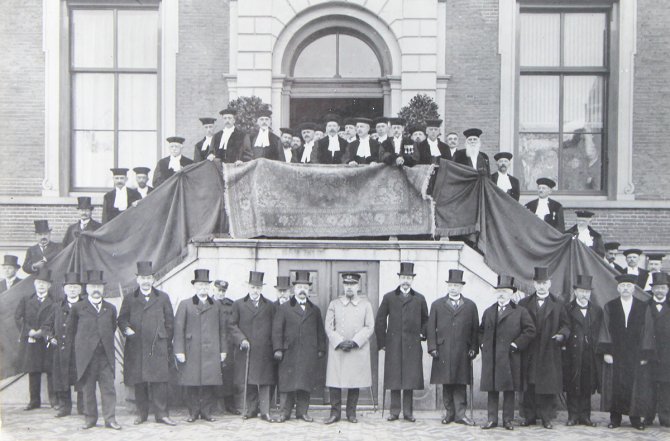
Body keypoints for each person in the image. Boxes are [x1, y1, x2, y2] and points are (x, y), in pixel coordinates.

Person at [117, 261, 176, 426]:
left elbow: (170, 322)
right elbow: (122, 319)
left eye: (148, 278)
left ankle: (162, 415)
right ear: (138, 279)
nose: (145, 281)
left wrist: (165, 339)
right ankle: (142, 414)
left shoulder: (163, 298)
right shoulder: (130, 298)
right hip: (137, 346)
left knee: (159, 382)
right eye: (142, 278)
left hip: (157, 346)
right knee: (140, 381)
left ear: (153, 279)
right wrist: (127, 329)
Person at [598, 273, 655, 430]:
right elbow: (605, 328)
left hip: (635, 354)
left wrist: (645, 353)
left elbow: (647, 330)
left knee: (635, 385)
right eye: (622, 286)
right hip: (616, 353)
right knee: (615, 385)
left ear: (634, 288)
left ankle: (635, 419)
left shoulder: (643, 306)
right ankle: (615, 419)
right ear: (618, 288)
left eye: (628, 286)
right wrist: (607, 351)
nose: (625, 288)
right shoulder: (610, 306)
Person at [479, 275, 535, 430]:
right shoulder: (489, 311)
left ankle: (508, 420)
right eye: (499, 291)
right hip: (492, 357)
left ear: (511, 293)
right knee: (492, 389)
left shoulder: (520, 311)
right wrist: (482, 343)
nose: (502, 294)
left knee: (509, 390)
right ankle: (492, 419)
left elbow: (530, 331)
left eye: (505, 291)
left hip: (510, 356)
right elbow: (481, 330)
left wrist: (517, 344)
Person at [518, 267, 570, 429]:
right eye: (538, 283)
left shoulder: (558, 304)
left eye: (544, 283)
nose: (541, 286)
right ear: (534, 284)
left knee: (547, 385)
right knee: (530, 384)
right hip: (530, 350)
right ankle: (529, 416)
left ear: (549, 284)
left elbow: (566, 325)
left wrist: (561, 335)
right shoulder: (523, 303)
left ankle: (547, 418)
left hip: (549, 349)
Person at [376, 262, 428, 422]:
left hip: (412, 344)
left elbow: (426, 320)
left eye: (409, 278)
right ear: (399, 278)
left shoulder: (419, 298)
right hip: (394, 344)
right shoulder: (389, 297)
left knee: (409, 378)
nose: (406, 280)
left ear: (412, 280)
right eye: (403, 277)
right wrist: (382, 342)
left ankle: (408, 412)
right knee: (395, 377)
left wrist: (422, 334)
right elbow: (380, 320)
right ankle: (394, 411)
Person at [173, 269, 227, 423]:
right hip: (192, 351)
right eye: (200, 285)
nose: (203, 287)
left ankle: (206, 412)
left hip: (211, 351)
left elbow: (223, 330)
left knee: (209, 383)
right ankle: (193, 412)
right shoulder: (185, 304)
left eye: (205, 285)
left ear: (209, 287)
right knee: (192, 383)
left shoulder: (216, 305)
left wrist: (223, 350)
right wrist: (179, 350)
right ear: (195, 286)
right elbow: (178, 330)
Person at [70, 270, 121, 430]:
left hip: (105, 355)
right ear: (87, 288)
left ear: (103, 288)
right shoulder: (78, 308)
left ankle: (110, 419)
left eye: (98, 286)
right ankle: (90, 419)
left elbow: (112, 327)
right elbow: (72, 331)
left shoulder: (110, 308)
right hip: (87, 357)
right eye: (92, 286)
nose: (96, 289)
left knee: (108, 388)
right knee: (88, 389)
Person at [273, 271, 326, 423]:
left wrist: (321, 349)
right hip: (288, 352)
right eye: (299, 287)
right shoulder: (284, 308)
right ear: (294, 289)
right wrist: (277, 349)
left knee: (305, 383)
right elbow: (277, 330)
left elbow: (320, 331)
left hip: (308, 352)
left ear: (309, 290)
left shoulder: (314, 310)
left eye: (305, 287)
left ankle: (302, 412)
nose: (302, 290)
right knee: (287, 383)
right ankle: (284, 412)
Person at [427, 269, 479, 426]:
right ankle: (449, 413)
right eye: (451, 285)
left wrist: (473, 348)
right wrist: (432, 347)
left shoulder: (470, 305)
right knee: (447, 383)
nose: (453, 288)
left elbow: (475, 329)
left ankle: (461, 415)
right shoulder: (437, 305)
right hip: (443, 350)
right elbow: (431, 328)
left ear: (461, 287)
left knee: (460, 382)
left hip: (463, 351)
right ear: (447, 286)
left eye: (456, 285)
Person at [324, 273, 374, 424]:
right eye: (347, 285)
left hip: (356, 349)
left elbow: (369, 326)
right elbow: (328, 326)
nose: (349, 288)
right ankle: (335, 413)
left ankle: (351, 413)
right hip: (338, 349)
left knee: (355, 381)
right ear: (343, 286)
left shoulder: (366, 304)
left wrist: (355, 341)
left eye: (352, 285)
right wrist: (339, 342)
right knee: (335, 381)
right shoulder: (334, 304)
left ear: (358, 286)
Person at [228, 271, 276, 422]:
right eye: (253, 287)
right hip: (246, 349)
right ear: (248, 287)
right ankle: (251, 410)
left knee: (264, 381)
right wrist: (241, 339)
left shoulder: (270, 305)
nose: (256, 291)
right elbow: (232, 325)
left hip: (264, 350)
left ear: (262, 289)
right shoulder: (238, 304)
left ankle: (265, 411)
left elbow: (275, 327)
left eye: (258, 288)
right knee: (248, 380)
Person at [563, 275, 603, 427]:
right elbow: (565, 326)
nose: (584, 294)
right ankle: (572, 416)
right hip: (573, 353)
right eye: (581, 291)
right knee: (573, 383)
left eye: (587, 292)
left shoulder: (597, 310)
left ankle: (585, 416)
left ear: (590, 293)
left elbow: (599, 331)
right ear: (575, 292)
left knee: (587, 384)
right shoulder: (567, 308)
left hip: (589, 353)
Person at [15, 267, 55, 411]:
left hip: (47, 341)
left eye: (44, 283)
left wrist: (43, 331)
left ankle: (53, 400)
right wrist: (29, 331)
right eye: (39, 282)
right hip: (31, 340)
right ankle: (34, 401)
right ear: (35, 284)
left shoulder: (55, 301)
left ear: (49, 285)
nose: (41, 285)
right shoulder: (26, 300)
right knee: (33, 371)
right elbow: (18, 318)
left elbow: (56, 319)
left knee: (51, 370)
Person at [45, 272, 84, 417]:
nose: (72, 289)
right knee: (62, 378)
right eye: (69, 287)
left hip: (79, 350)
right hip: (61, 349)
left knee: (81, 378)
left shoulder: (85, 305)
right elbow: (47, 326)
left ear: (80, 290)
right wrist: (50, 337)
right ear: (64, 289)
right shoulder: (57, 307)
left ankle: (83, 407)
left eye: (75, 287)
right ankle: (64, 407)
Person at [211, 280, 239, 415]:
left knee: (228, 376)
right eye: (219, 290)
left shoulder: (231, 305)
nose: (221, 293)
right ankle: (211, 405)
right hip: (211, 344)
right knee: (211, 374)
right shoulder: (208, 303)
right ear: (214, 290)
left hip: (227, 344)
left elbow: (233, 324)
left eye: (223, 291)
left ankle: (230, 405)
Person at [645, 272, 670, 427]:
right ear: (652, 290)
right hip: (650, 352)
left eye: (663, 287)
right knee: (649, 385)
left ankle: (665, 416)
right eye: (657, 288)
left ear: (667, 289)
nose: (660, 291)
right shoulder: (644, 306)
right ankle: (647, 416)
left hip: (668, 353)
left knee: (666, 386)